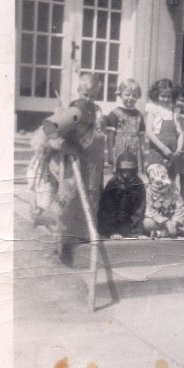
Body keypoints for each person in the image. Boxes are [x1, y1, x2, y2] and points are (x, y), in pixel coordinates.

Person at [27, 100, 105, 264]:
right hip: (55, 166)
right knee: (61, 205)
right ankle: (59, 246)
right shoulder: (69, 118)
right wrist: (61, 144)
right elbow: (42, 136)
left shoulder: (95, 135)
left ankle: (75, 244)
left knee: (81, 205)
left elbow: (91, 158)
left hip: (80, 168)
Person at [97, 150, 146, 238]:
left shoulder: (138, 184)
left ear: (135, 169)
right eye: (123, 171)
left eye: (130, 171)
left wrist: (137, 232)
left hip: (128, 224)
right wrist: (113, 231)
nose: (126, 175)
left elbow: (139, 209)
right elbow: (108, 211)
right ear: (118, 169)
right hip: (111, 224)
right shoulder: (112, 183)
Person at [145, 78, 183, 175]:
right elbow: (149, 132)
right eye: (162, 96)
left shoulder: (174, 110)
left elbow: (180, 133)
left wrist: (179, 148)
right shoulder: (153, 108)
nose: (166, 99)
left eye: (169, 96)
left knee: (170, 181)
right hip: (158, 150)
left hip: (172, 152)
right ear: (156, 95)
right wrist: (163, 148)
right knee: (158, 179)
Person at [106, 79, 145, 170]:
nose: (131, 98)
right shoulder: (114, 114)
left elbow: (141, 137)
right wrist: (110, 154)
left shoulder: (139, 115)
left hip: (135, 149)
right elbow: (110, 136)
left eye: (134, 95)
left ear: (138, 96)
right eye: (127, 94)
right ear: (120, 94)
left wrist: (142, 155)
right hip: (120, 149)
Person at [143, 162, 184, 238]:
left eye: (162, 177)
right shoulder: (148, 191)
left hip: (172, 220)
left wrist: (174, 222)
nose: (159, 182)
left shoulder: (173, 189)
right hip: (157, 221)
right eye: (153, 179)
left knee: (179, 219)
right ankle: (166, 232)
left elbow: (180, 207)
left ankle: (163, 233)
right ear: (150, 180)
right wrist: (166, 222)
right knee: (147, 223)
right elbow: (148, 211)